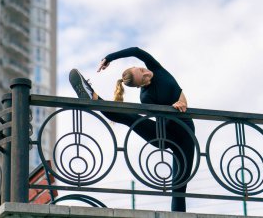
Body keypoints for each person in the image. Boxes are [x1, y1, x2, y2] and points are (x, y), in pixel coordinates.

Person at [69, 47, 195, 212]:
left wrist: (109, 58)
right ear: (139, 86)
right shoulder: (146, 97)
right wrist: (172, 108)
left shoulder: (156, 68)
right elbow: (163, 122)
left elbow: (136, 51)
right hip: (165, 135)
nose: (146, 74)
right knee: (130, 117)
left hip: (186, 135)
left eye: (142, 70)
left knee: (179, 187)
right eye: (143, 79)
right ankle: (94, 98)